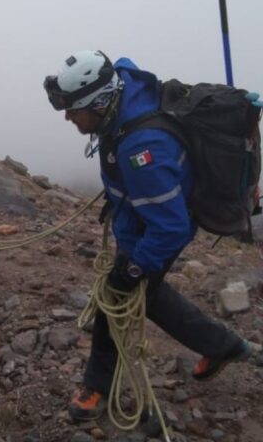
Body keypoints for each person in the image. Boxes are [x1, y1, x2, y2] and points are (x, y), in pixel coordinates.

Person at [43, 50, 262, 421]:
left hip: (155, 230)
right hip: (142, 216)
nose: (68, 117)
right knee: (149, 294)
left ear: (99, 103)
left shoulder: (141, 151)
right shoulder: (123, 86)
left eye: (74, 110)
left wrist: (134, 267)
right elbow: (124, 62)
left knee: (118, 294)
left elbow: (170, 227)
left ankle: (95, 388)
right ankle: (224, 346)